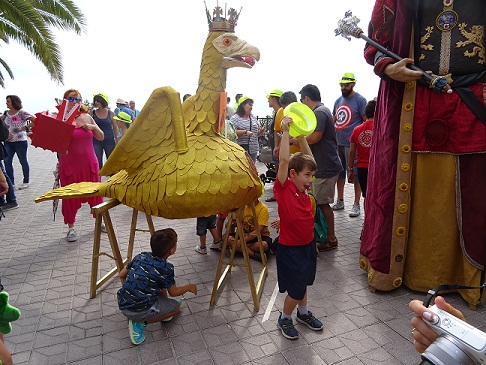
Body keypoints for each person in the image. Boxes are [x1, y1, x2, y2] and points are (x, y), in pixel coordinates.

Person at [361, 0, 486, 307]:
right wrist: (387, 67)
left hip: (477, 103)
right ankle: (405, 269)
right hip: (410, 102)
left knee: (475, 191)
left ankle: (468, 277)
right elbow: (377, 43)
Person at [274, 115, 323, 340]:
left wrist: (302, 137)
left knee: (303, 282)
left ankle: (302, 314)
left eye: (311, 176)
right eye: (307, 175)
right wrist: (285, 131)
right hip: (291, 249)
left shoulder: (304, 193)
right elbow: (284, 161)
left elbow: (309, 160)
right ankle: (285, 317)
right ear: (292, 175)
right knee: (295, 288)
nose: (310, 179)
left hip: (307, 246)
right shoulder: (284, 189)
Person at [117, 228, 198, 345]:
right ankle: (139, 323)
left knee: (160, 283)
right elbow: (174, 292)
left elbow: (121, 274)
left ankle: (161, 310)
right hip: (137, 310)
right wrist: (189, 287)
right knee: (176, 308)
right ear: (172, 250)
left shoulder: (141, 256)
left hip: (123, 302)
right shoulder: (166, 268)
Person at [300, 84, 342, 251]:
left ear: (307, 98)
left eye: (302, 101)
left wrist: (298, 139)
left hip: (326, 166)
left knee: (323, 204)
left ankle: (330, 238)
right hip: (326, 164)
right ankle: (325, 236)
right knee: (320, 203)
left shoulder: (319, 112)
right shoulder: (323, 111)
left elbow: (315, 137)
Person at [58, 89, 104, 242]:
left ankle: (99, 220)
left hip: (89, 163)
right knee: (70, 197)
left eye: (78, 99)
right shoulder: (60, 119)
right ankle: (71, 228)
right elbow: (55, 144)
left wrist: (94, 127)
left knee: (96, 194)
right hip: (70, 165)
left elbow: (101, 136)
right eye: (72, 99)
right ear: (65, 100)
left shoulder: (87, 116)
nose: (75, 102)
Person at [331, 73, 367, 217]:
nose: (343, 87)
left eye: (346, 85)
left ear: (353, 84)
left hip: (352, 145)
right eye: (341, 85)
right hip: (338, 143)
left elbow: (366, 122)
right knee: (339, 173)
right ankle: (340, 200)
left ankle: (356, 204)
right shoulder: (338, 101)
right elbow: (334, 119)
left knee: (355, 174)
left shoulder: (360, 100)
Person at [1, 95, 36, 190]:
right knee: (7, 162)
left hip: (20, 141)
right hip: (8, 142)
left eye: (8, 101)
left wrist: (26, 127)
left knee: (23, 161)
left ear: (14, 102)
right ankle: (11, 182)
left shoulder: (22, 113)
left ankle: (26, 181)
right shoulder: (6, 113)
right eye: (6, 101)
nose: (6, 103)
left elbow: (35, 120)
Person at [348, 99, 376, 210]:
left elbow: (351, 152)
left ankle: (367, 222)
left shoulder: (356, 130)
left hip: (362, 168)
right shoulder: (380, 129)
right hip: (376, 167)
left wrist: (350, 170)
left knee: (366, 196)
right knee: (377, 196)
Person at [264, 89, 282, 203]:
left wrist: (278, 146)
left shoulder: (279, 112)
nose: (268, 101)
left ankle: (278, 194)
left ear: (274, 99)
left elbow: (279, 132)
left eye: (269, 99)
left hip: (278, 148)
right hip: (276, 147)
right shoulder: (277, 112)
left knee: (279, 172)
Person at [230, 96, 261, 162]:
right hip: (240, 149)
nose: (251, 107)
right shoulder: (235, 118)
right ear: (243, 105)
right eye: (249, 105)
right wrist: (245, 132)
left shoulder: (253, 118)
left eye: (252, 105)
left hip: (253, 149)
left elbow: (255, 133)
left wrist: (260, 132)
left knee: (252, 169)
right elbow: (232, 132)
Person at [92, 92, 118, 170]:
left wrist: (117, 141)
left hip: (109, 141)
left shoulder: (111, 113)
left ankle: (113, 180)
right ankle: (98, 180)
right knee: (97, 163)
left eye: (98, 101)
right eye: (95, 100)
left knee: (111, 164)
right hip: (96, 141)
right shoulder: (93, 113)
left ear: (103, 101)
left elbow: (115, 127)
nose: (96, 102)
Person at [273, 91, 299, 162]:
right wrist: (277, 146)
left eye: (288, 107)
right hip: (286, 154)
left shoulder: (302, 113)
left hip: (300, 155)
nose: (286, 110)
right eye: (284, 108)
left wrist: (298, 140)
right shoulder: (280, 111)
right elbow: (277, 130)